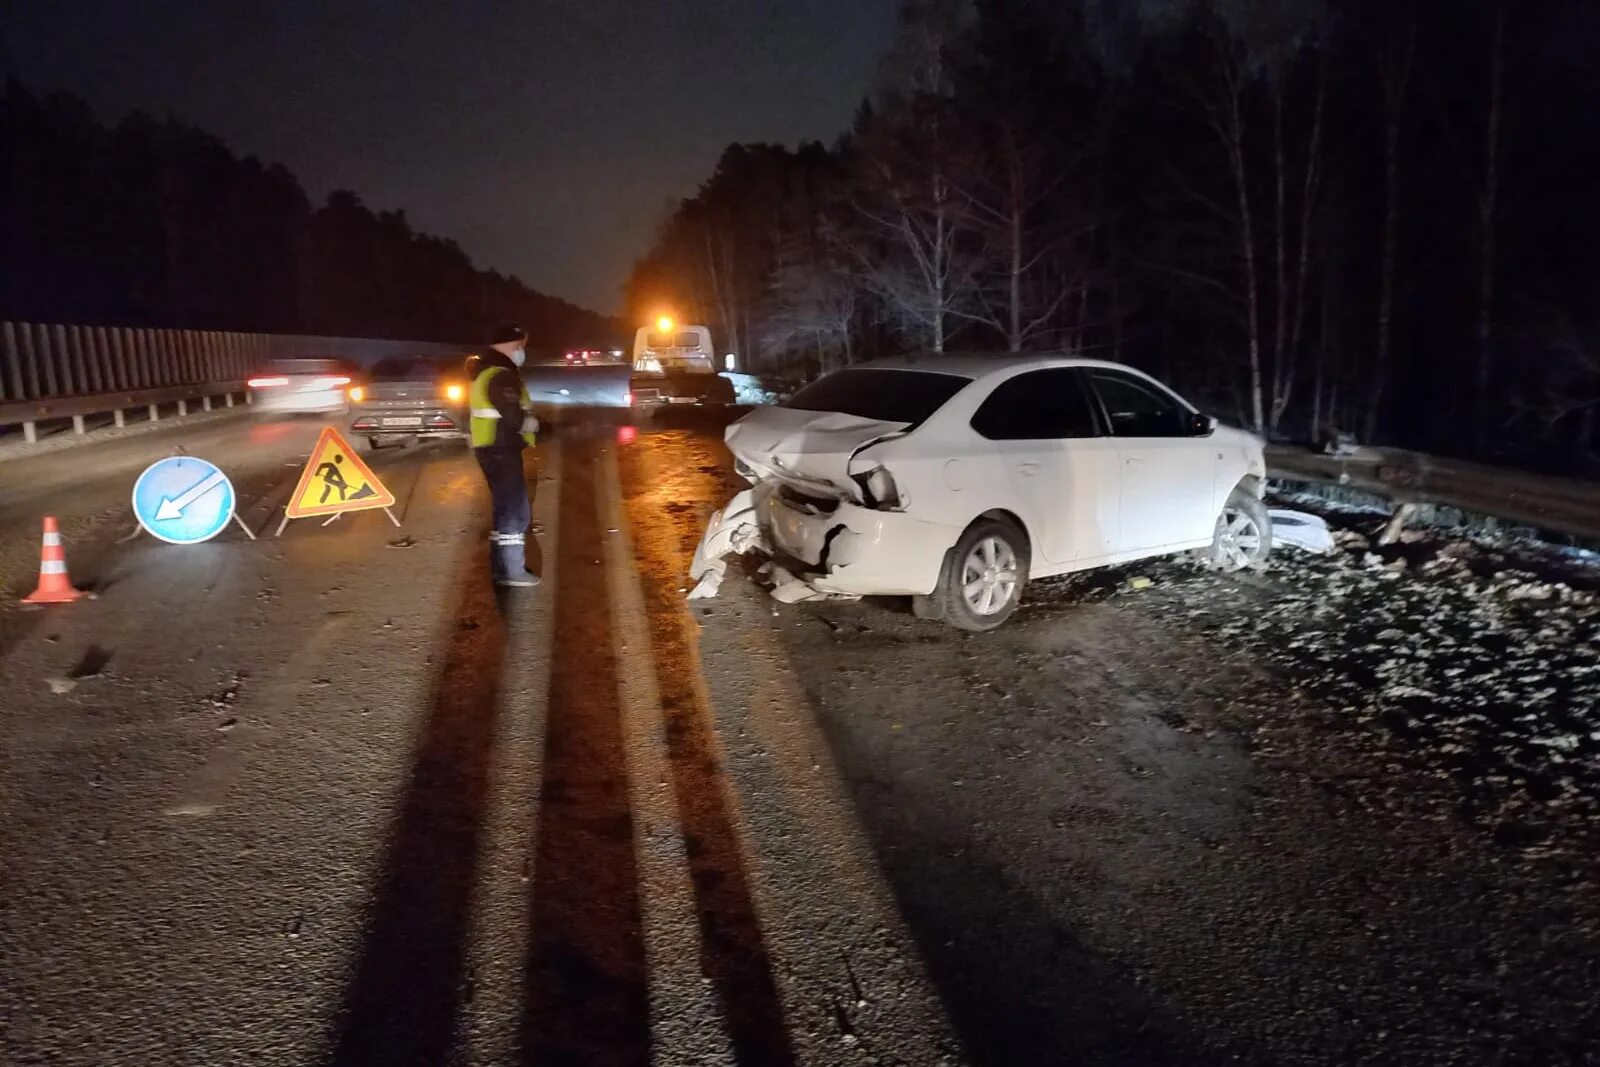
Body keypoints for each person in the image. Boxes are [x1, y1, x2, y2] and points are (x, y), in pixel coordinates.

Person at [468, 324, 540, 587]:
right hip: (501, 448)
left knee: (503, 510)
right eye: (521, 346)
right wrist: (535, 425)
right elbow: (512, 413)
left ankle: (502, 568)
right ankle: (512, 571)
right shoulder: (501, 375)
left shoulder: (486, 371)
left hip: (491, 445)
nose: (522, 351)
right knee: (514, 511)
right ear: (511, 345)